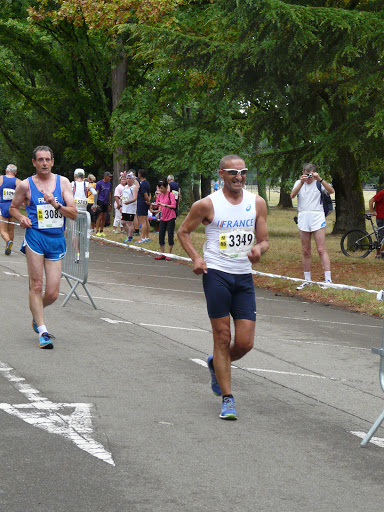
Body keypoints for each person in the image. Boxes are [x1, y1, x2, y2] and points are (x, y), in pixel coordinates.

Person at [177, 154, 269, 420]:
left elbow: (264, 240)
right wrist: (196, 257)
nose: (238, 177)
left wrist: (258, 250)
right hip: (216, 274)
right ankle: (228, 398)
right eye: (232, 172)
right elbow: (183, 231)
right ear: (221, 174)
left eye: (242, 172)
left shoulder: (257, 203)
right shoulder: (207, 204)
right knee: (222, 337)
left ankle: (215, 364)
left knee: (245, 343)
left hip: (243, 277)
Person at [9, 146, 77, 349]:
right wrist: (21, 217)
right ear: (34, 163)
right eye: (40, 160)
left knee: (53, 293)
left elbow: (73, 213)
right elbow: (13, 207)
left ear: (53, 162)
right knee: (37, 285)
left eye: (47, 159)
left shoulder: (63, 182)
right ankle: (43, 330)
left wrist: (55, 204)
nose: (44, 163)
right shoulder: (26, 185)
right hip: (35, 238)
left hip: (56, 240)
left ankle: (36, 312)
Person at [290, 163, 335, 290]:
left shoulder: (319, 183)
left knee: (321, 249)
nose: (308, 176)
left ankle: (328, 279)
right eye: (306, 173)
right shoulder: (299, 183)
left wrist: (319, 178)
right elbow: (292, 195)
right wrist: (301, 182)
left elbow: (331, 191)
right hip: (303, 215)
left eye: (310, 173)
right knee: (305, 250)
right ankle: (307, 279)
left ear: (314, 173)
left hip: (317, 215)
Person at [0, 164, 21, 255]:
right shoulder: (18, 182)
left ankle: (8, 242)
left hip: (2, 206)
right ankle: (8, 248)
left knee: (3, 230)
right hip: (13, 208)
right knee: (11, 230)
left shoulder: (1, 179)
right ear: (15, 172)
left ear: (6, 170)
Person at [154, 179, 177, 261]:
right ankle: (162, 253)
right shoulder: (160, 195)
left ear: (166, 187)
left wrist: (164, 205)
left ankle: (169, 254)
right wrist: (153, 204)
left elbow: (174, 205)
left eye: (163, 188)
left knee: (170, 234)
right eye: (160, 188)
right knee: (161, 235)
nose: (161, 190)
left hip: (170, 216)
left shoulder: (171, 195)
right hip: (163, 217)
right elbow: (157, 204)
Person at [121, 172, 138, 243]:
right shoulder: (125, 187)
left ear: (132, 179)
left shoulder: (134, 188)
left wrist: (129, 202)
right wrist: (121, 205)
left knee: (130, 223)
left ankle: (129, 237)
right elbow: (123, 197)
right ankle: (129, 234)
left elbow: (135, 198)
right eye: (127, 178)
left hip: (131, 208)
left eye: (130, 178)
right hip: (124, 207)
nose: (128, 180)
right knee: (123, 222)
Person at [135, 169, 151, 243]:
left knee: (142, 221)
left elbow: (145, 194)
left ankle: (142, 237)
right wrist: (148, 201)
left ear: (140, 174)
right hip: (144, 203)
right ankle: (147, 237)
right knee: (146, 219)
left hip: (142, 202)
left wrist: (148, 201)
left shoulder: (143, 184)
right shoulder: (147, 183)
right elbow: (149, 194)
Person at [368, 185, 384, 259]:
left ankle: (381, 253)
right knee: (381, 237)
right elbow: (371, 200)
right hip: (381, 218)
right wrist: (372, 212)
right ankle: (378, 254)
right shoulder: (381, 193)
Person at [95, 171, 112, 237]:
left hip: (105, 202)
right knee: (100, 215)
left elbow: (109, 194)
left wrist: (109, 203)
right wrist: (96, 203)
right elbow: (97, 193)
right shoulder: (99, 183)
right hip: (100, 201)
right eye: (109, 177)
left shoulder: (109, 184)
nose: (110, 178)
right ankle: (97, 230)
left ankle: (101, 230)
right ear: (105, 177)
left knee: (104, 216)